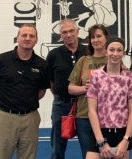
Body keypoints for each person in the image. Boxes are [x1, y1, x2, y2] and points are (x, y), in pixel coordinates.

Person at [0, 24, 50, 159]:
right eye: (24, 35)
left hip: (30, 118)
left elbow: (42, 91)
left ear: (36, 40)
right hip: (4, 118)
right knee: (0, 156)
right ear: (17, 38)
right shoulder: (1, 60)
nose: (27, 38)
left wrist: (27, 102)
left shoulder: (42, 64)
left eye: (31, 36)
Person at [86, 37, 132, 159]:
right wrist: (100, 141)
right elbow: (92, 110)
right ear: (106, 51)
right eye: (112, 50)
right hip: (100, 132)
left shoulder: (129, 77)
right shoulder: (96, 75)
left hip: (122, 133)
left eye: (119, 50)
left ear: (123, 53)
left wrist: (126, 139)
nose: (115, 53)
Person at [67, 24, 109, 159]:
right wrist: (86, 88)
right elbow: (70, 88)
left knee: (108, 155)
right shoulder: (83, 61)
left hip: (108, 119)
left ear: (106, 38)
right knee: (88, 155)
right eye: (92, 37)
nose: (96, 40)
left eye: (99, 36)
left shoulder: (113, 59)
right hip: (84, 117)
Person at [46, 18, 86, 159]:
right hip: (61, 106)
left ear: (78, 31)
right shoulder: (53, 55)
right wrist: (62, 97)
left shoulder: (88, 52)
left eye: (71, 31)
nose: (68, 35)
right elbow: (51, 82)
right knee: (57, 148)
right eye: (64, 32)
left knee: (88, 147)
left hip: (85, 106)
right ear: (60, 35)